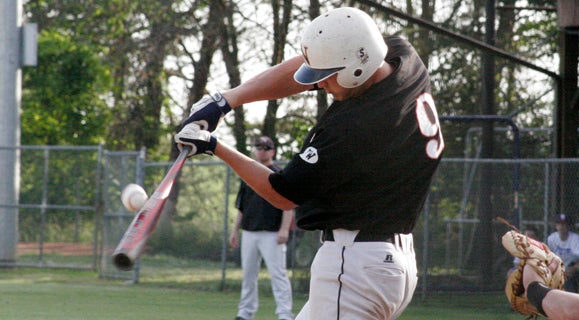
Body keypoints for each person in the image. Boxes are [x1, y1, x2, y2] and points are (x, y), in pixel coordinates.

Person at [175, 6, 444, 319]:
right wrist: (227, 100)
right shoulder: (404, 61)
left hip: (356, 264)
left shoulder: (353, 127)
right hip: (384, 261)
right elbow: (309, 69)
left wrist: (215, 146)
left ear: (357, 68)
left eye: (327, 77)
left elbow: (283, 193)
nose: (320, 84)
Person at [229, 136, 295, 320]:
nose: (262, 151)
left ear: (272, 151)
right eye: (259, 147)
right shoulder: (248, 174)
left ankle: (285, 314)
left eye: (266, 148)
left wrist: (284, 229)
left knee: (278, 275)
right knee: (248, 275)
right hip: (249, 231)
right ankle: (245, 313)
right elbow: (241, 206)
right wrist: (235, 230)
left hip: (272, 233)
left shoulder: (278, 174)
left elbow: (288, 205)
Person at [546, 213, 579, 292]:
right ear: (556, 226)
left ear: (569, 226)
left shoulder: (575, 238)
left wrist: (574, 267)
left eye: (564, 224)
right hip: (557, 266)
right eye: (559, 224)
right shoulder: (551, 238)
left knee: (568, 274)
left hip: (572, 267)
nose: (561, 226)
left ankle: (570, 299)